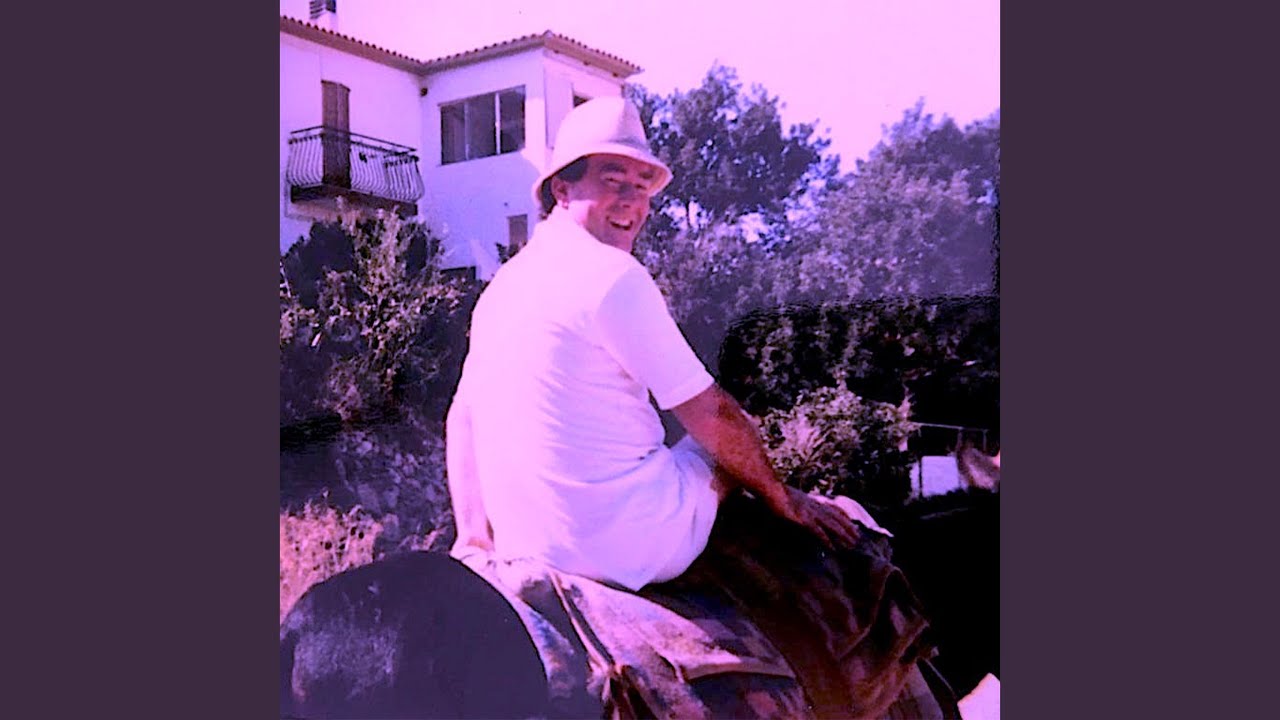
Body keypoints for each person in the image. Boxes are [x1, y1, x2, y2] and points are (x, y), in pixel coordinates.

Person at [444, 96, 857, 592]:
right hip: (624, 545)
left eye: (641, 187)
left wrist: (473, 538)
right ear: (562, 189)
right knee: (731, 439)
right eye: (612, 180)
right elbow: (711, 413)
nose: (631, 202)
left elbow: (463, 417)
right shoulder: (613, 275)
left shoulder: (501, 288)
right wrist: (781, 496)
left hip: (527, 546)